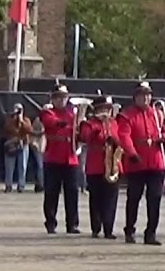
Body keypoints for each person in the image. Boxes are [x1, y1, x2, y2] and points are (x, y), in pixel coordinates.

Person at [117, 81, 165, 246]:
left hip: (155, 161)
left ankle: (151, 233)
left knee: (154, 199)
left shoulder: (158, 114)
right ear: (136, 97)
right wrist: (131, 153)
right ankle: (130, 230)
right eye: (142, 95)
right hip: (137, 162)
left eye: (147, 95)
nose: (145, 98)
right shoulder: (128, 115)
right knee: (134, 198)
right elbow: (124, 135)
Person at [40, 86, 82, 235]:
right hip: (53, 157)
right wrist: (65, 122)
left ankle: (73, 224)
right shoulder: (48, 112)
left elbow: (79, 129)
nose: (61, 100)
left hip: (70, 157)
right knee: (52, 193)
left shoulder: (73, 112)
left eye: (63, 97)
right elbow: (50, 121)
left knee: (72, 193)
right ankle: (51, 222)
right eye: (58, 97)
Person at [79, 96, 121, 239]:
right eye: (102, 109)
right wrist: (97, 131)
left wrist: (116, 141)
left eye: (107, 109)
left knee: (111, 199)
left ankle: (109, 228)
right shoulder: (89, 124)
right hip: (96, 164)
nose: (105, 112)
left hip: (112, 164)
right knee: (96, 198)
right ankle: (96, 227)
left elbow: (121, 139)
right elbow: (85, 138)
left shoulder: (114, 123)